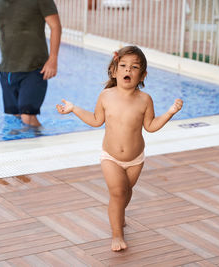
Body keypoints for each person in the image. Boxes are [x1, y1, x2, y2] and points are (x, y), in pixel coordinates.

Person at [56, 46, 183, 251]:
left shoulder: (145, 100)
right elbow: (96, 120)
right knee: (117, 193)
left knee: (125, 192)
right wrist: (74, 109)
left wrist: (170, 112)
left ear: (142, 75)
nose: (128, 70)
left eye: (134, 67)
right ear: (114, 71)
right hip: (111, 157)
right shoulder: (106, 96)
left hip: (135, 159)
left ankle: (118, 213)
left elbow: (150, 127)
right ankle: (117, 234)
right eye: (123, 66)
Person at [0, 0, 62, 127]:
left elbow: (55, 26)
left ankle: (42, 143)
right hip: (7, 71)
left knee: (28, 117)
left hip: (34, 69)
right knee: (15, 119)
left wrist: (53, 58)